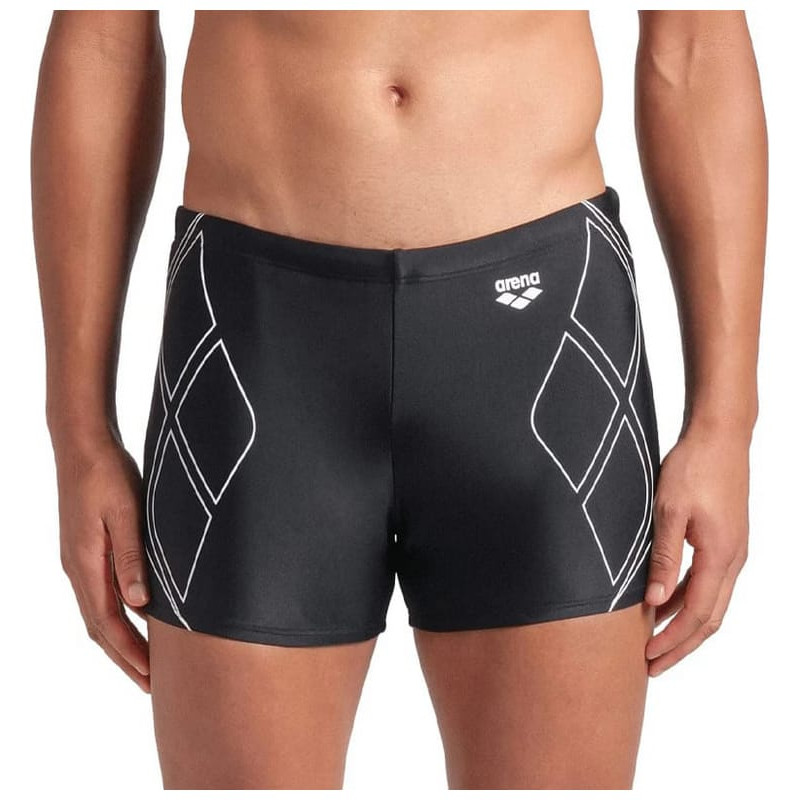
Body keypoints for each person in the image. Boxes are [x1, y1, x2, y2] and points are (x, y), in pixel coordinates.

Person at [30, 10, 767, 790]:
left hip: (545, 336)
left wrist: (725, 423)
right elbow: (102, 39)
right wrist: (79, 434)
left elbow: (696, 41)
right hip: (257, 341)